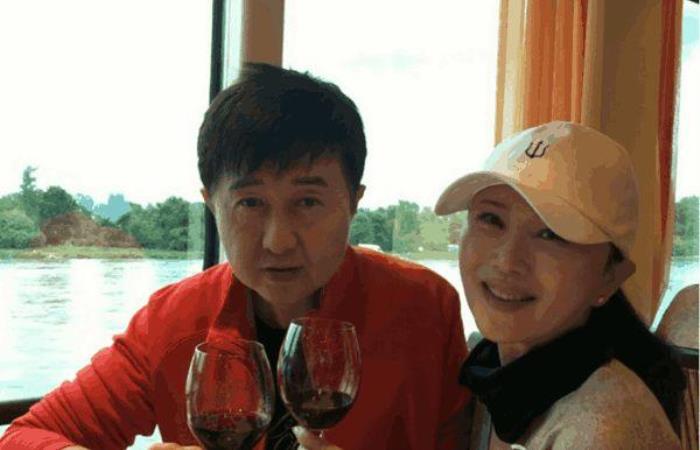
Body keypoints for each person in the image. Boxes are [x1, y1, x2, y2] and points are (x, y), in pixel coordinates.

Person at [0, 64, 470, 450]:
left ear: (353, 202)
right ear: (211, 205)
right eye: (250, 203)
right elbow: (25, 437)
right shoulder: (173, 320)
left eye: (307, 202)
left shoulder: (423, 309)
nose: (278, 241)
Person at [296, 121, 687, 450]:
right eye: (491, 220)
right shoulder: (494, 371)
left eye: (551, 235)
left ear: (610, 276)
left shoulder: (603, 430)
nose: (507, 261)